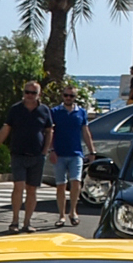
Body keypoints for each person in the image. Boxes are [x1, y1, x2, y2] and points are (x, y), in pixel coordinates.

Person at [0, 79, 53, 232]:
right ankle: (15, 221)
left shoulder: (44, 110)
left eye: (33, 93)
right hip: (18, 154)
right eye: (27, 92)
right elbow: (6, 129)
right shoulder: (16, 109)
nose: (30, 95)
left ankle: (27, 222)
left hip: (37, 155)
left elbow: (49, 130)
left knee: (32, 189)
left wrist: (45, 151)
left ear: (39, 94)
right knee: (18, 187)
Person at [47, 84, 94, 228]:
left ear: (75, 97)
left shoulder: (81, 113)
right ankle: (61, 215)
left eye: (71, 96)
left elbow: (85, 132)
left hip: (76, 153)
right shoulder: (55, 112)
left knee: (76, 182)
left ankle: (73, 212)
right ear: (62, 96)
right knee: (60, 185)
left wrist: (92, 151)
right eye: (66, 95)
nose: (68, 98)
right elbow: (50, 132)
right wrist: (51, 150)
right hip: (59, 154)